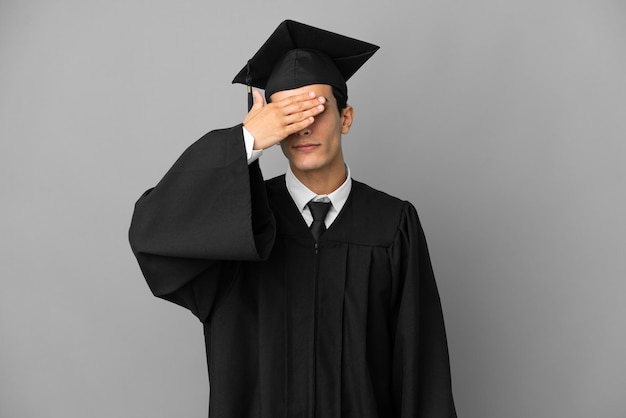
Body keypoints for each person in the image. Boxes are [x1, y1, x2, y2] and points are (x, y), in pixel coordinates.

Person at [129, 20, 457, 418]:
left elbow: (422, 374)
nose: (303, 127)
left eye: (315, 108)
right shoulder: (239, 221)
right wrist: (245, 141)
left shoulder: (392, 225)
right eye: (288, 114)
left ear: (346, 118)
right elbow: (151, 234)